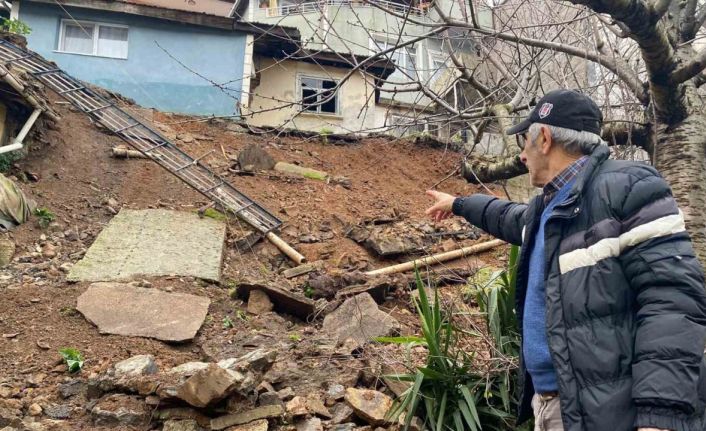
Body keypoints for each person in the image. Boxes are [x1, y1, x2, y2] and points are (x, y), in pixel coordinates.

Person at [425, 89, 706, 431]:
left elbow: (672, 302)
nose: (523, 156)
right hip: (553, 403)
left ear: (543, 138)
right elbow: (505, 217)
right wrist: (457, 203)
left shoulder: (627, 189)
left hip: (609, 411)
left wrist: (660, 415)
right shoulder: (548, 208)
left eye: (523, 143)